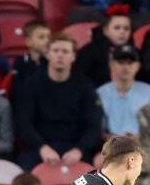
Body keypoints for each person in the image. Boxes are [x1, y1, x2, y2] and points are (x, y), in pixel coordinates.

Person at [15, 34, 104, 170]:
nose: (60, 55)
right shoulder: (32, 84)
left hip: (76, 148)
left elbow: (94, 125)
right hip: (39, 148)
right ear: (47, 54)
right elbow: (24, 123)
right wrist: (42, 147)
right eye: (56, 51)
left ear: (73, 56)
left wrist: (79, 149)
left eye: (65, 51)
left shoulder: (85, 86)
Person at [98, 45, 150, 137]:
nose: (125, 67)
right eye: (120, 62)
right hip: (109, 146)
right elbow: (96, 129)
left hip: (143, 147)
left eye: (130, 63)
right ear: (111, 64)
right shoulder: (100, 93)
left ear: (138, 66)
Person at [73, 5, 134, 87]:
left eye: (126, 28)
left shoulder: (134, 53)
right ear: (105, 31)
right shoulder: (89, 52)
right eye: (117, 28)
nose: (122, 32)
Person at [10, 20, 50, 97]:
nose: (47, 40)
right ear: (28, 42)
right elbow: (19, 89)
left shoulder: (50, 61)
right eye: (41, 37)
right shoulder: (21, 61)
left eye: (48, 37)